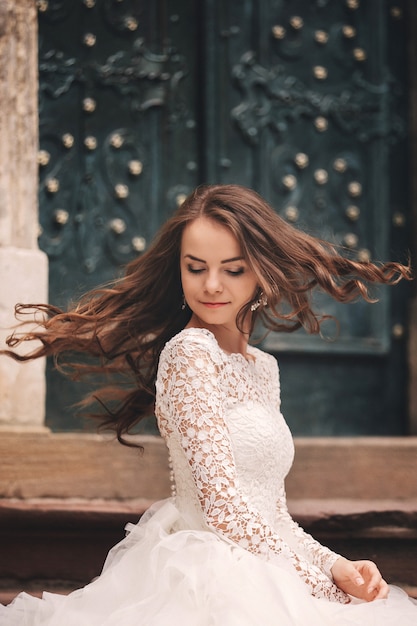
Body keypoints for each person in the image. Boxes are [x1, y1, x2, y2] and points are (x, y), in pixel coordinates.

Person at [0, 184, 416, 626]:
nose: (211, 285)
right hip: (209, 578)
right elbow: (220, 508)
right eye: (195, 268)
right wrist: (321, 587)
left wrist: (337, 566)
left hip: (263, 570)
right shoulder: (189, 353)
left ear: (261, 272)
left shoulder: (263, 367)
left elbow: (274, 516)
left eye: (233, 270)